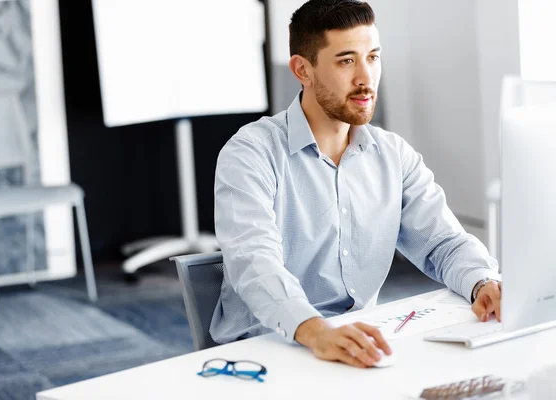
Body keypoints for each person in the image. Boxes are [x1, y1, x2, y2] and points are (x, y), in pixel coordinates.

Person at [210, 0, 502, 368]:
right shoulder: (251, 153)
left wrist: (483, 283)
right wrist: (317, 331)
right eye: (346, 61)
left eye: (373, 57)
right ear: (303, 69)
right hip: (264, 352)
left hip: (353, 345)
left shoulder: (392, 155)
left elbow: (443, 243)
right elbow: (254, 262)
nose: (366, 78)